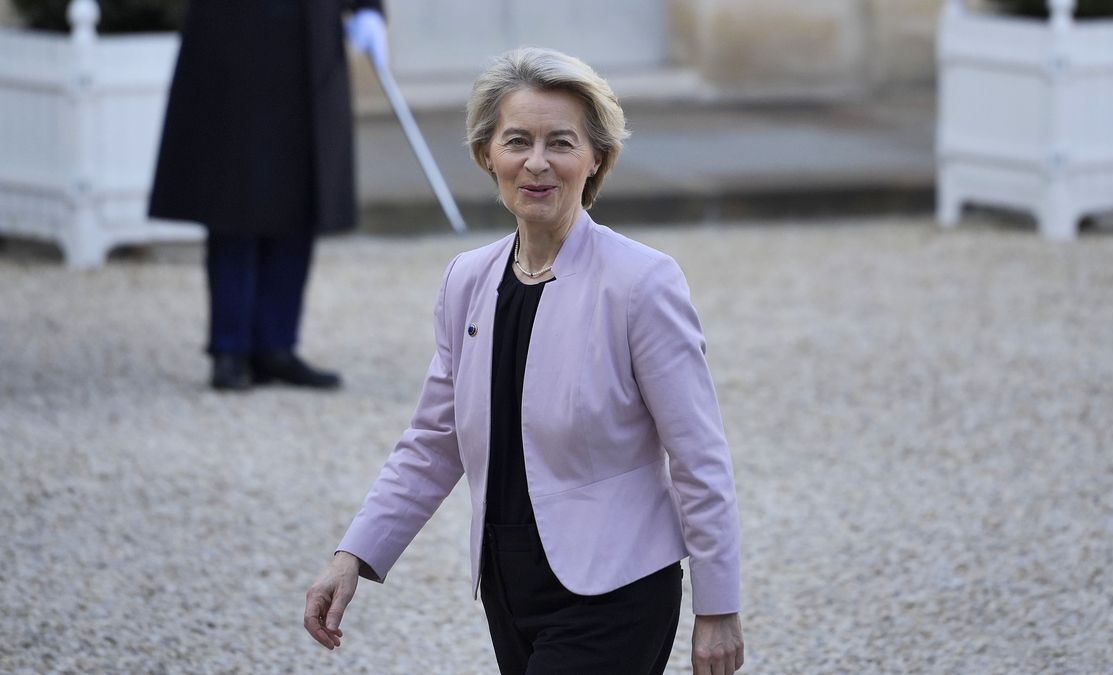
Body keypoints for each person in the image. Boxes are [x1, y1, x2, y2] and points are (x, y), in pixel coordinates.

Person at [304, 47, 745, 674]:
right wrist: (354, 555)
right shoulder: (467, 280)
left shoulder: (643, 283)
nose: (537, 163)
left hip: (615, 592)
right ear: (489, 155)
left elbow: (699, 455)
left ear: (596, 159)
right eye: (518, 141)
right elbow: (434, 439)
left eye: (561, 142)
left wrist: (718, 607)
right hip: (508, 589)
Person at [148, 1, 389, 391]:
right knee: (235, 194)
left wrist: (367, 8)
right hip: (234, 40)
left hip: (309, 38)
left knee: (301, 188)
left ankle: (275, 345)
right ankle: (231, 348)